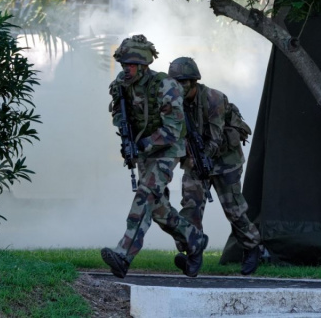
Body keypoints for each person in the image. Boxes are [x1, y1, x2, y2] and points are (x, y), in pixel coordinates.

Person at [100, 35, 207, 278]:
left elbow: (172, 130)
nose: (126, 69)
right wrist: (128, 139)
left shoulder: (164, 86)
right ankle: (195, 240)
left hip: (166, 151)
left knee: (144, 196)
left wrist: (143, 145)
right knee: (158, 210)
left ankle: (123, 255)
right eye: (124, 65)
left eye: (131, 65)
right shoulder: (122, 84)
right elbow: (119, 114)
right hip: (144, 150)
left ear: (143, 65)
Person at [168, 57, 262, 276]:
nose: (178, 87)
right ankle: (193, 253)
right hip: (195, 159)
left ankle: (251, 248)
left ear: (193, 81)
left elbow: (216, 137)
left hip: (224, 159)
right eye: (175, 83)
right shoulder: (173, 103)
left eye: (182, 82)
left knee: (234, 209)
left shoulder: (214, 98)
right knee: (190, 208)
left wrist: (203, 160)